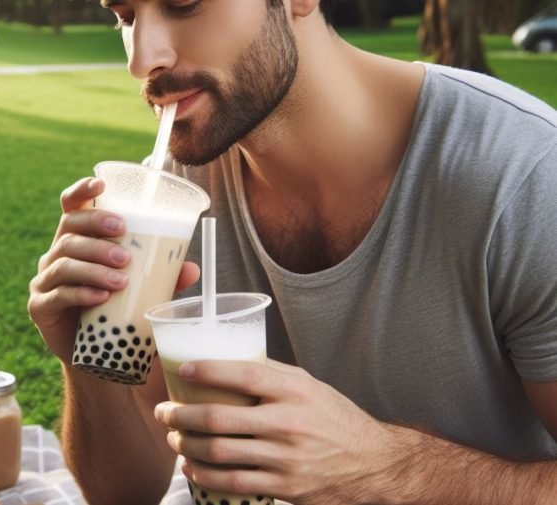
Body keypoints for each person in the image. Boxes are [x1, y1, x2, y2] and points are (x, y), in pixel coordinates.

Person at [27, 0, 557, 503]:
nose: (143, 59)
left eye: (183, 4)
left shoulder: (524, 178)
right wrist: (87, 358)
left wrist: (391, 466)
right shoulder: (171, 204)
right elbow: (126, 494)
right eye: (124, 15)